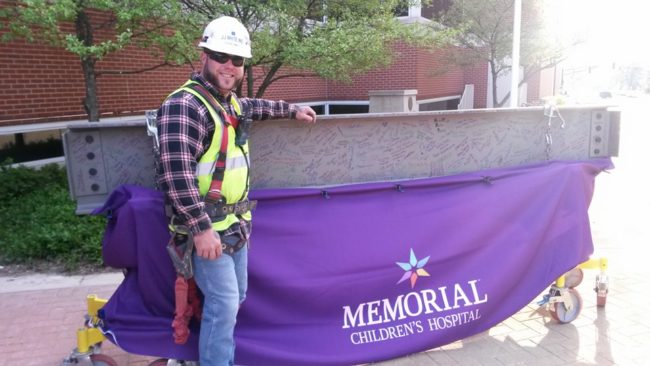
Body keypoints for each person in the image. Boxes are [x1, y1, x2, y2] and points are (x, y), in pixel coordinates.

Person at [155, 16, 316, 366]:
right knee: (225, 303)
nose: (229, 66)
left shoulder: (228, 103)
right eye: (220, 56)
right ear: (204, 56)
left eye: (237, 60)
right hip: (207, 228)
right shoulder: (185, 106)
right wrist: (199, 228)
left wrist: (292, 110)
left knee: (234, 297)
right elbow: (175, 174)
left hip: (235, 226)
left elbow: (255, 107)